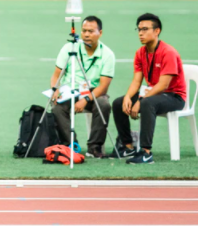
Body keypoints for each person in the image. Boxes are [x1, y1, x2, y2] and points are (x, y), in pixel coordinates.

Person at [111, 13, 187, 164]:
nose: (140, 33)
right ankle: (128, 147)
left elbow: (163, 85)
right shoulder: (140, 53)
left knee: (147, 103)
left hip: (174, 97)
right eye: (139, 29)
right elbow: (136, 81)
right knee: (118, 103)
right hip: (153, 94)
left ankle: (146, 152)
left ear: (157, 31)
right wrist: (128, 97)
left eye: (145, 29)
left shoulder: (168, 52)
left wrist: (140, 100)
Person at [48, 15, 115, 158]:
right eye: (84, 31)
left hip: (94, 91)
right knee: (57, 107)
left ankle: (95, 147)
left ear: (100, 33)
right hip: (69, 90)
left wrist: (85, 99)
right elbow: (56, 76)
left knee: (103, 104)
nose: (86, 34)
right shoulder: (69, 48)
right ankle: (70, 145)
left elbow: (103, 87)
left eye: (91, 31)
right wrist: (55, 90)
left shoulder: (107, 55)